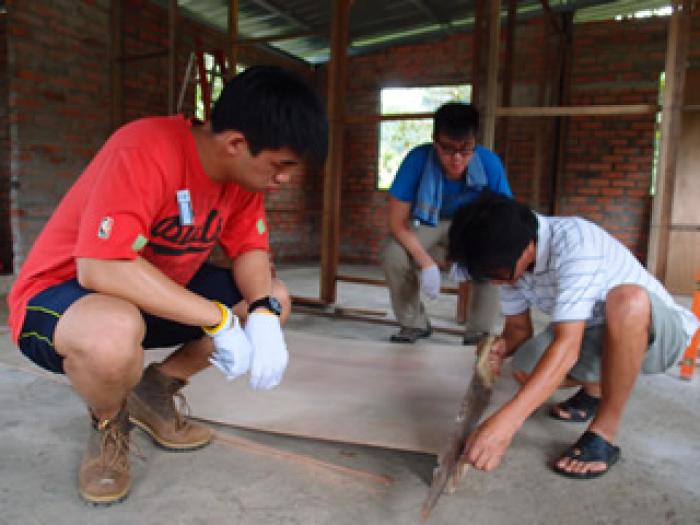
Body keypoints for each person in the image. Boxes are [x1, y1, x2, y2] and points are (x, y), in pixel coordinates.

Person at [7, 65, 328, 504]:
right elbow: (101, 269)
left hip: (149, 293)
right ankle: (109, 423)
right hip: (62, 298)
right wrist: (217, 319)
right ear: (236, 143)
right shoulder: (143, 148)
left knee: (272, 299)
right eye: (281, 166)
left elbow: (251, 250)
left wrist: (266, 315)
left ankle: (153, 390)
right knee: (113, 333)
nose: (285, 179)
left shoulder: (243, 178)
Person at [447, 193, 699, 479]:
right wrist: (502, 348)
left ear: (528, 248)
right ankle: (595, 390)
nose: (495, 281)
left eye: (497, 275)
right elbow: (518, 331)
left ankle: (604, 432)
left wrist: (504, 425)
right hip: (595, 329)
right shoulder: (506, 263)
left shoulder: (575, 244)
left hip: (659, 336)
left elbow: (568, 347)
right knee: (525, 368)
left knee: (627, 301)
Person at [381, 102, 512, 345]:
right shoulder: (417, 160)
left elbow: (503, 217)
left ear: (475, 142)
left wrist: (474, 251)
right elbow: (397, 222)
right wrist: (427, 263)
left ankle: (480, 331)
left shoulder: (489, 163)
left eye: (466, 150)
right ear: (434, 141)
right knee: (393, 252)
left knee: (497, 251)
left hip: (472, 225)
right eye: (448, 149)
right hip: (427, 222)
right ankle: (414, 323)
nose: (457, 159)